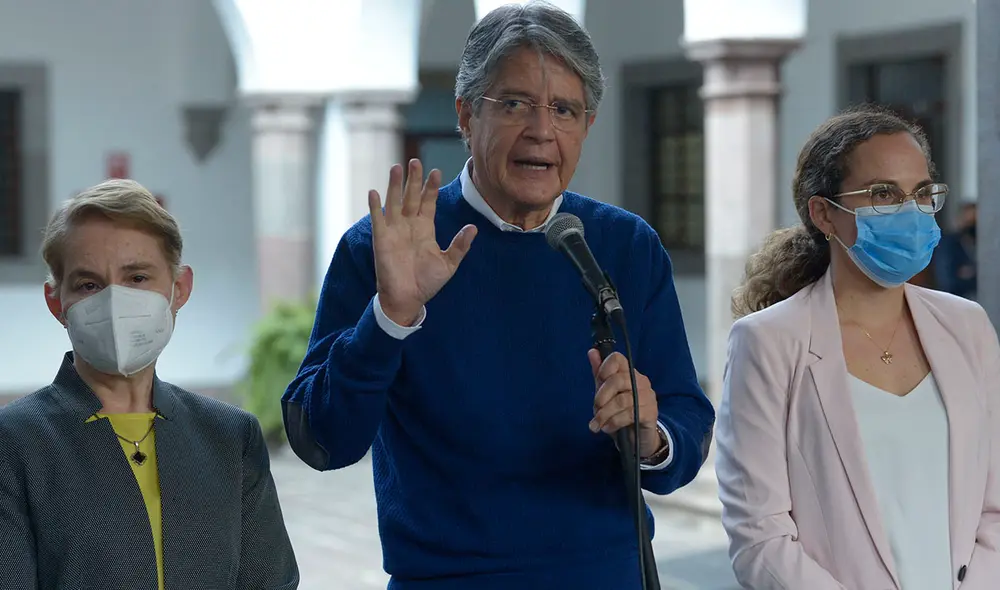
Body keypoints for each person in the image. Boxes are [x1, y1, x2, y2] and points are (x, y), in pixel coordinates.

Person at [282, 2, 715, 588]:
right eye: (514, 104)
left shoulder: (625, 246)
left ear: (587, 126)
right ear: (465, 114)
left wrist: (651, 436)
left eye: (564, 109)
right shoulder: (385, 247)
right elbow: (321, 440)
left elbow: (688, 418)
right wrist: (389, 318)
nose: (542, 130)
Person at [717, 105, 1000, 589]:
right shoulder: (768, 342)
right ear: (824, 213)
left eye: (921, 193)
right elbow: (759, 539)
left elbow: (994, 508)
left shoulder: (966, 326)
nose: (910, 211)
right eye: (883, 194)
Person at [0, 179, 299, 589]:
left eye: (137, 277)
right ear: (57, 303)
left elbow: (271, 582)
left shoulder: (230, 437)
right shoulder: (15, 443)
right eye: (89, 285)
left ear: (179, 289)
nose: (115, 302)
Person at [933, 201, 977, 299]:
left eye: (974, 223)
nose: (971, 227)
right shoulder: (949, 244)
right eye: (969, 222)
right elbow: (948, 281)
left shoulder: (983, 244)